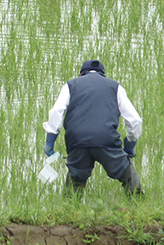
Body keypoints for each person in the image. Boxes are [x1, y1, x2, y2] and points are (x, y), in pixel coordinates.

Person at [42, 59, 143, 195]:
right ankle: (138, 205)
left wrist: (50, 142)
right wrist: (129, 145)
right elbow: (135, 120)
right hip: (106, 139)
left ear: (80, 74)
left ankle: (70, 210)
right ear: (103, 74)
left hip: (77, 140)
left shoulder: (71, 85)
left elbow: (56, 112)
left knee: (75, 179)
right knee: (127, 174)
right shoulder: (115, 87)